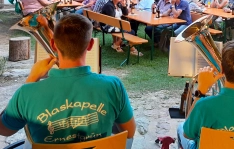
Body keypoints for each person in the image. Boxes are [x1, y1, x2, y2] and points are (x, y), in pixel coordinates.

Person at [0, 14, 136, 144]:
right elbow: (129, 132)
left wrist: (31, 78)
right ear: (90, 45)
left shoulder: (26, 93)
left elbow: (3, 129)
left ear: (53, 44)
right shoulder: (113, 86)